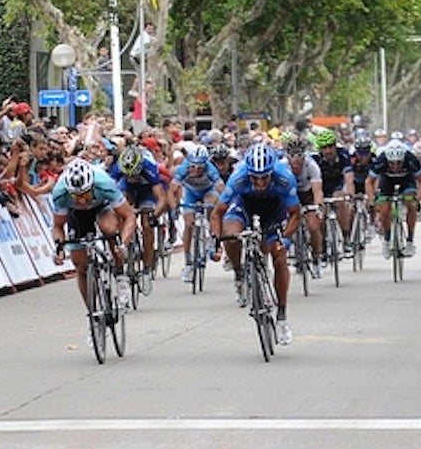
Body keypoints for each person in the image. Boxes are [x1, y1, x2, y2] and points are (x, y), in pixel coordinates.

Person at [211, 142, 300, 346]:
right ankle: (240, 273)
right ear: (248, 173)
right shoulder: (238, 178)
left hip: (274, 209)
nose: (260, 183)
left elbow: (296, 214)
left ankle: (282, 315)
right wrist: (216, 242)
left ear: (272, 173)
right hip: (244, 205)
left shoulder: (285, 178)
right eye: (255, 178)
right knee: (232, 236)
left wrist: (284, 239)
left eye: (264, 178)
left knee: (279, 257)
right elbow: (217, 213)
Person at [51, 158, 137, 312]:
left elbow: (129, 216)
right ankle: (93, 315)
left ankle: (120, 275)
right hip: (76, 214)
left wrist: (123, 245)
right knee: (80, 266)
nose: (82, 200)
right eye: (76, 196)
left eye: (85, 194)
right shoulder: (60, 193)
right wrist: (59, 248)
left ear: (92, 186)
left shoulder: (104, 183)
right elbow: (58, 226)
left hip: (101, 207)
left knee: (110, 229)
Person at [109, 143, 169, 297]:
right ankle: (125, 248)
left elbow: (162, 198)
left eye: (133, 175)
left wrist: (154, 216)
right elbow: (110, 193)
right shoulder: (117, 168)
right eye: (127, 175)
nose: (130, 178)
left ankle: (147, 269)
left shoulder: (149, 167)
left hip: (147, 190)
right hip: (127, 190)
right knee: (122, 210)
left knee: (147, 223)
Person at [170, 145, 224, 283]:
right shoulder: (182, 169)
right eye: (193, 166)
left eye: (200, 167)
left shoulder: (211, 170)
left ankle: (212, 241)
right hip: (191, 193)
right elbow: (172, 191)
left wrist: (222, 209)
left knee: (211, 207)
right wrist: (174, 207)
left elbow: (222, 191)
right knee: (188, 224)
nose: (195, 170)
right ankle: (188, 262)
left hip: (208, 191)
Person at [368, 139, 421, 258]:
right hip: (387, 181)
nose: (395, 167)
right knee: (384, 210)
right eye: (392, 164)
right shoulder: (381, 160)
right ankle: (387, 239)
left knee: (411, 204)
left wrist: (418, 199)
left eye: (399, 163)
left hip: (407, 181)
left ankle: (410, 241)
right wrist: (372, 199)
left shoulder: (411, 159)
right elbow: (369, 181)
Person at [284, 135, 325, 278]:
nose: (296, 159)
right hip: (289, 194)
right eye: (292, 155)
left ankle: (316, 258)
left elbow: (317, 190)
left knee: (314, 227)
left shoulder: (311, 166)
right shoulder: (282, 166)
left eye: (299, 155)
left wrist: (318, 207)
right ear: (287, 156)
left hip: (307, 194)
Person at [312, 129, 355, 254]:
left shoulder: (344, 155)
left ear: (335, 145)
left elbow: (349, 178)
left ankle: (346, 237)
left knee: (341, 200)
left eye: (330, 146)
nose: (328, 151)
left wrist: (350, 196)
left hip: (338, 186)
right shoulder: (315, 158)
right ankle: (323, 243)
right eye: (324, 148)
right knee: (321, 212)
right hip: (321, 187)